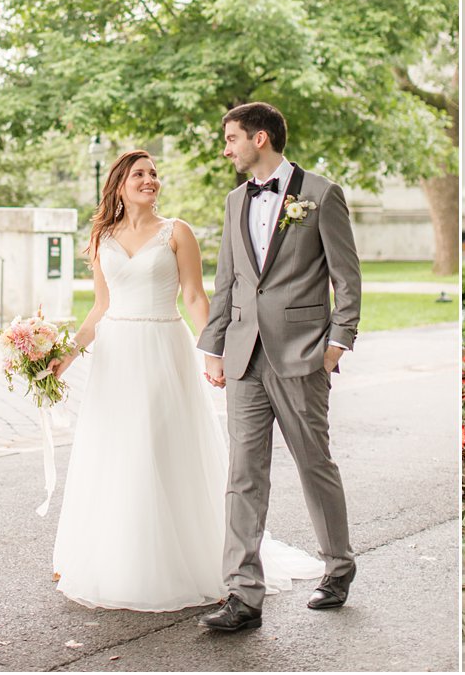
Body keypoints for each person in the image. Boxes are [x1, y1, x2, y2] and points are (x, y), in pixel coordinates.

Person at [48, 150, 320, 611]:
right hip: (116, 356)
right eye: (140, 174)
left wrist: (216, 354)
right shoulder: (102, 237)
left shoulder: (177, 232)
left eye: (154, 174)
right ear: (119, 183)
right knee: (116, 454)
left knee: (158, 448)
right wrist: (66, 357)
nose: (150, 180)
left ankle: (187, 562)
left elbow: (196, 297)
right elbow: (100, 307)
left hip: (162, 349)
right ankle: (119, 562)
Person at [196, 102, 362, 633]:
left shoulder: (321, 194)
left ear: (259, 139)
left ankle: (338, 567)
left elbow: (347, 277)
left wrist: (338, 342)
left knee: (314, 464)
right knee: (243, 476)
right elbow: (227, 280)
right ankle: (243, 594)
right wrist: (214, 346)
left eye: (231, 139)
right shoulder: (232, 201)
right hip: (245, 356)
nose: (226, 149)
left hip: (303, 353)